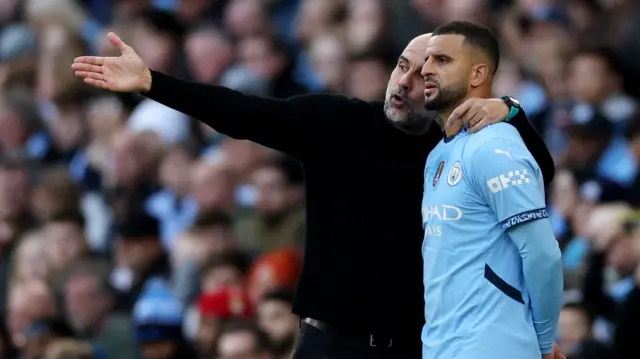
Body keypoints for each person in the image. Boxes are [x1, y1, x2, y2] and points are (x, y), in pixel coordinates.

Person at [71, 31, 554, 359]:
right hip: (327, 344)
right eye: (401, 67)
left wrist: (509, 112)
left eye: (421, 74)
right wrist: (153, 83)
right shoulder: (337, 122)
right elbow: (242, 112)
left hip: (417, 345)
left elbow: (540, 176)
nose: (404, 83)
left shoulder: (463, 147)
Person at [418, 21, 564, 359]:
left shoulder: (495, 145)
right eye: (427, 60)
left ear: (477, 74)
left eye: (441, 60)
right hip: (442, 346)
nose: (426, 69)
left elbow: (543, 254)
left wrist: (542, 342)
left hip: (491, 346)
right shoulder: (439, 153)